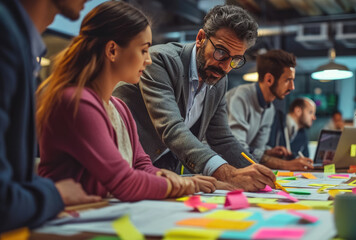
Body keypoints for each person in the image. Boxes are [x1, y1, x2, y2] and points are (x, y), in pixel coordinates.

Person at [36, 1, 217, 203]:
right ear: (112, 50)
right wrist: (184, 184)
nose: (148, 60)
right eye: (143, 50)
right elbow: (124, 182)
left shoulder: (119, 107)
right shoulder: (77, 101)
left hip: (99, 213)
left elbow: (142, 165)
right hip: (65, 221)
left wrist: (174, 179)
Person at [113, 5, 276, 191]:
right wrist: (229, 174)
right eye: (221, 52)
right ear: (200, 39)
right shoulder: (160, 61)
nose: (225, 67)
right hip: (120, 163)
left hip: (157, 170)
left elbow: (222, 138)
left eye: (235, 59)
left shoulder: (219, 81)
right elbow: (171, 128)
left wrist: (256, 172)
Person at [0, 0, 102, 233]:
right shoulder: (6, 37)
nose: (147, 60)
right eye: (143, 49)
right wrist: (55, 193)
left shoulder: (19, 41)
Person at [226, 50, 313, 171]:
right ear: (269, 79)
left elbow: (255, 149)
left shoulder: (270, 109)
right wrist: (286, 165)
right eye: (288, 80)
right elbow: (237, 149)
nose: (292, 87)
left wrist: (268, 151)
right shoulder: (241, 97)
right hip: (215, 168)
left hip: (239, 168)